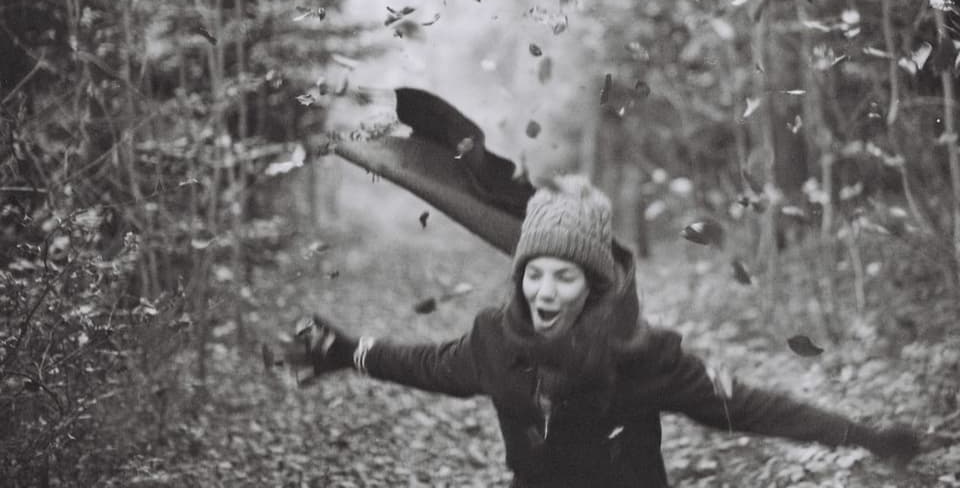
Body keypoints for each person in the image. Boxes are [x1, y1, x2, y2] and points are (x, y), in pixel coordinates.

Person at [280, 175, 925, 488]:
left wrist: (863, 437)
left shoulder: (641, 356)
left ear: (592, 283)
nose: (545, 291)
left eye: (566, 276)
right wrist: (345, 353)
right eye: (535, 274)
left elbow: (750, 407)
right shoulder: (494, 341)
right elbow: (422, 364)